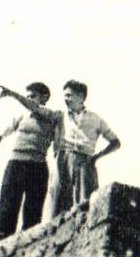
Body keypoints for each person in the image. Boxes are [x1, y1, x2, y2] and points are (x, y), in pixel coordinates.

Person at [0, 80, 56, 242]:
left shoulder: (51, 115)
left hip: (37, 166)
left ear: (44, 98)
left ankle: (27, 249)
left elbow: (34, 108)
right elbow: (1, 135)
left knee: (33, 215)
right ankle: (0, 248)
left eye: (33, 96)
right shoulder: (21, 116)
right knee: (6, 209)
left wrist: (12, 94)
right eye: (27, 96)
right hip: (16, 164)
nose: (29, 99)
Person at [49, 80, 121, 215]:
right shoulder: (60, 116)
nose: (66, 99)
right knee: (57, 205)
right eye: (64, 96)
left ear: (81, 96)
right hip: (63, 160)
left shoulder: (95, 119)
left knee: (85, 205)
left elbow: (115, 142)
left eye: (69, 95)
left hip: (85, 161)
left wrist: (97, 156)